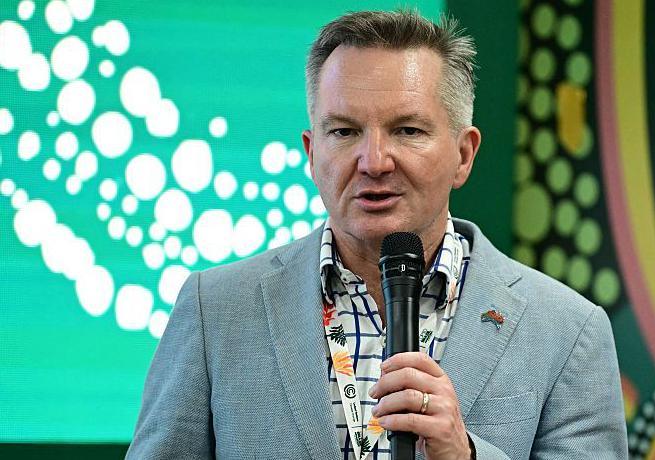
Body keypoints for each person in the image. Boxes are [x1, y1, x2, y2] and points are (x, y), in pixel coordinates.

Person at [126, 10, 627, 460]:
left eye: (408, 130)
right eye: (343, 132)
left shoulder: (565, 330)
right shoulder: (216, 310)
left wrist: (466, 456)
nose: (373, 162)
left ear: (464, 154)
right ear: (311, 152)